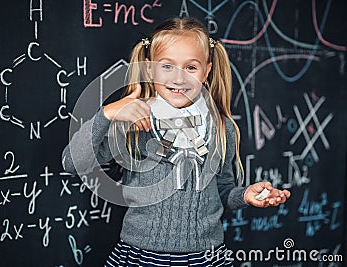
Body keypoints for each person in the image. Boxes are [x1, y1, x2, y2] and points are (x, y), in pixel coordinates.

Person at [62, 17, 291, 266]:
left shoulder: (221, 128)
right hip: (140, 255)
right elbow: (73, 163)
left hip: (206, 257)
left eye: (191, 68)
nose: (179, 79)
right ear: (149, 69)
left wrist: (245, 195)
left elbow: (223, 191)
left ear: (207, 71)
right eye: (167, 66)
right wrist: (106, 114)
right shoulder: (135, 122)